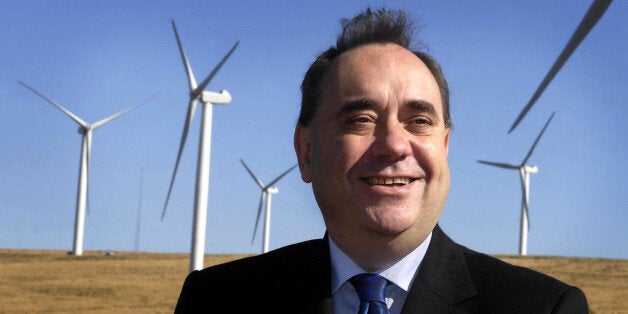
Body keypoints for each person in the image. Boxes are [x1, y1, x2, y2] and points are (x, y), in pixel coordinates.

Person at [174, 7, 589, 313]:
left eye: (419, 121)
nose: (394, 143)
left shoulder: (544, 307)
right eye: (361, 119)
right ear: (305, 152)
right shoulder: (215, 301)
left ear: (444, 148)